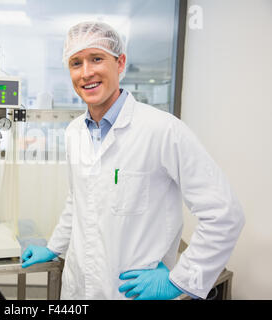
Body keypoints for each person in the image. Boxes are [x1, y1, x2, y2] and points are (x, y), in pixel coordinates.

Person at [21, 21, 245, 300]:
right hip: (78, 288)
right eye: (76, 63)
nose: (86, 72)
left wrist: (180, 280)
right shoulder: (74, 132)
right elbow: (77, 199)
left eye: (97, 58)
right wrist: (55, 247)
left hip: (132, 292)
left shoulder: (163, 130)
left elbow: (224, 213)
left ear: (120, 63)